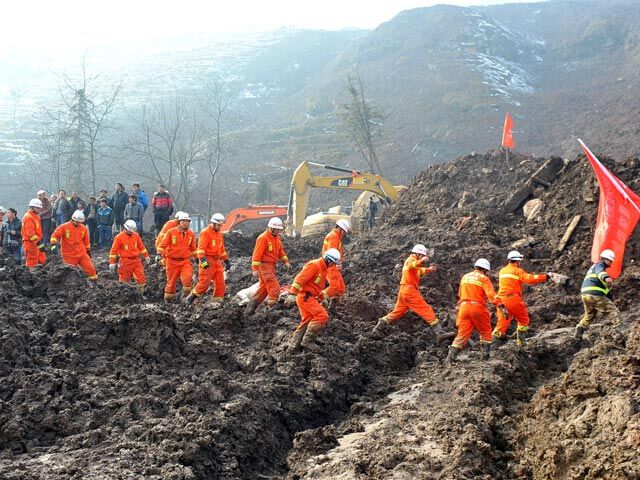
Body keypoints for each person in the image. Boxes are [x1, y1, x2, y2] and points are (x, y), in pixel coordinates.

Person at [373, 244, 452, 341]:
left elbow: (418, 271)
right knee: (426, 309)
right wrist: (422, 261)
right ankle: (439, 332)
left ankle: (381, 323)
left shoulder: (409, 261)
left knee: (397, 312)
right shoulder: (411, 261)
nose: (423, 257)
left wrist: (429, 270)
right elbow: (413, 266)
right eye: (422, 255)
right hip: (410, 291)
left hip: (403, 290)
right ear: (418, 254)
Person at [283, 248, 342, 352]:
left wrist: (321, 297)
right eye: (333, 263)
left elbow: (316, 287)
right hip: (305, 297)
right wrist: (292, 293)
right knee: (322, 316)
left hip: (309, 297)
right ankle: (308, 341)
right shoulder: (315, 265)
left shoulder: (323, 269)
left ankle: (292, 347)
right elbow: (300, 279)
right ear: (329, 260)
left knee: (307, 320)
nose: (334, 266)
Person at [447, 259, 501, 363]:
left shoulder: (465, 277)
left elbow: (460, 294)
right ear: (485, 270)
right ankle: (485, 358)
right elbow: (491, 295)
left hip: (463, 308)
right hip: (477, 307)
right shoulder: (484, 278)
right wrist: (500, 304)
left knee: (462, 334)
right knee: (485, 331)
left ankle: (450, 358)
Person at [491, 250, 549, 346]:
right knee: (523, 320)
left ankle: (491, 347)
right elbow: (530, 279)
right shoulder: (518, 271)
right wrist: (545, 277)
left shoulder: (502, 271)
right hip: (513, 299)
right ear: (518, 261)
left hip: (501, 301)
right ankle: (521, 344)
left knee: (501, 324)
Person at [245, 217, 292, 315]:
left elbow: (280, 251)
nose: (279, 231)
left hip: (271, 266)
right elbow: (257, 254)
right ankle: (269, 312)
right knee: (274, 290)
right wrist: (255, 269)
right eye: (277, 229)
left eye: (280, 229)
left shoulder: (277, 238)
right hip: (265, 266)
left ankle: (250, 310)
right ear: (271, 228)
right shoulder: (263, 238)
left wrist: (286, 261)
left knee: (263, 290)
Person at [185, 213, 230, 306]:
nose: (220, 227)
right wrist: (204, 262)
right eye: (219, 225)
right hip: (207, 260)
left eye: (221, 225)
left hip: (217, 261)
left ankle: (217, 302)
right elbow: (200, 249)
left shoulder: (219, 234)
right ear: (213, 223)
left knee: (221, 284)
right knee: (205, 283)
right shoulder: (205, 232)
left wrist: (226, 260)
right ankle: (191, 297)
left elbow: (222, 249)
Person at [574, 249, 620, 340]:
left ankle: (579, 329)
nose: (611, 262)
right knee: (613, 312)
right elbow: (600, 273)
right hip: (595, 294)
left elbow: (602, 287)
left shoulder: (592, 269)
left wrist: (610, 296)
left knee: (590, 314)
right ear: (605, 259)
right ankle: (619, 331)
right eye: (610, 260)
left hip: (585, 294)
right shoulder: (599, 265)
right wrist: (606, 277)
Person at [157, 212, 196, 302]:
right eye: (183, 221)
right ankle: (168, 300)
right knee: (171, 283)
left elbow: (194, 249)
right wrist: (159, 254)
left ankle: (188, 299)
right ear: (179, 222)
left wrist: (200, 261)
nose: (185, 223)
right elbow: (162, 244)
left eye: (187, 221)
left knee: (187, 279)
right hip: (172, 261)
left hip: (185, 261)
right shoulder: (171, 232)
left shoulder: (191, 234)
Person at [50, 211, 98, 284]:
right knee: (70, 272)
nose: (79, 224)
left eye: (80, 222)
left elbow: (86, 240)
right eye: (77, 222)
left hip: (82, 253)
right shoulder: (63, 227)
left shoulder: (83, 228)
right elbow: (55, 236)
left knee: (90, 268)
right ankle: (70, 287)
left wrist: (88, 251)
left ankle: (94, 284)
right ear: (73, 219)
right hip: (69, 255)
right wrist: (53, 244)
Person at [109, 220, 150, 294]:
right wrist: (112, 262)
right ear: (125, 228)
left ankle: (141, 293)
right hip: (125, 261)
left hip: (136, 260)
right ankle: (123, 295)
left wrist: (146, 255)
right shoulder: (119, 238)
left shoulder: (136, 235)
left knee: (141, 277)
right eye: (130, 231)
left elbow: (141, 246)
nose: (131, 232)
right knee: (124, 279)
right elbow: (113, 251)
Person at [322, 219, 350, 300]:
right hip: (331, 265)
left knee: (341, 288)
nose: (344, 233)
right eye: (344, 231)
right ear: (340, 229)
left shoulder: (335, 236)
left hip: (333, 265)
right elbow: (332, 253)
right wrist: (337, 263)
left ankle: (335, 304)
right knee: (335, 287)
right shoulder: (334, 236)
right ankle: (319, 298)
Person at [21, 198, 46, 268]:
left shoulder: (36, 217)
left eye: (40, 208)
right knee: (32, 261)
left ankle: (41, 275)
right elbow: (30, 233)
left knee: (42, 259)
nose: (39, 209)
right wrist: (38, 243)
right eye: (37, 208)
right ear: (32, 207)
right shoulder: (28, 217)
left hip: (36, 242)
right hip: (30, 243)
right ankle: (30, 276)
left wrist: (38, 243)